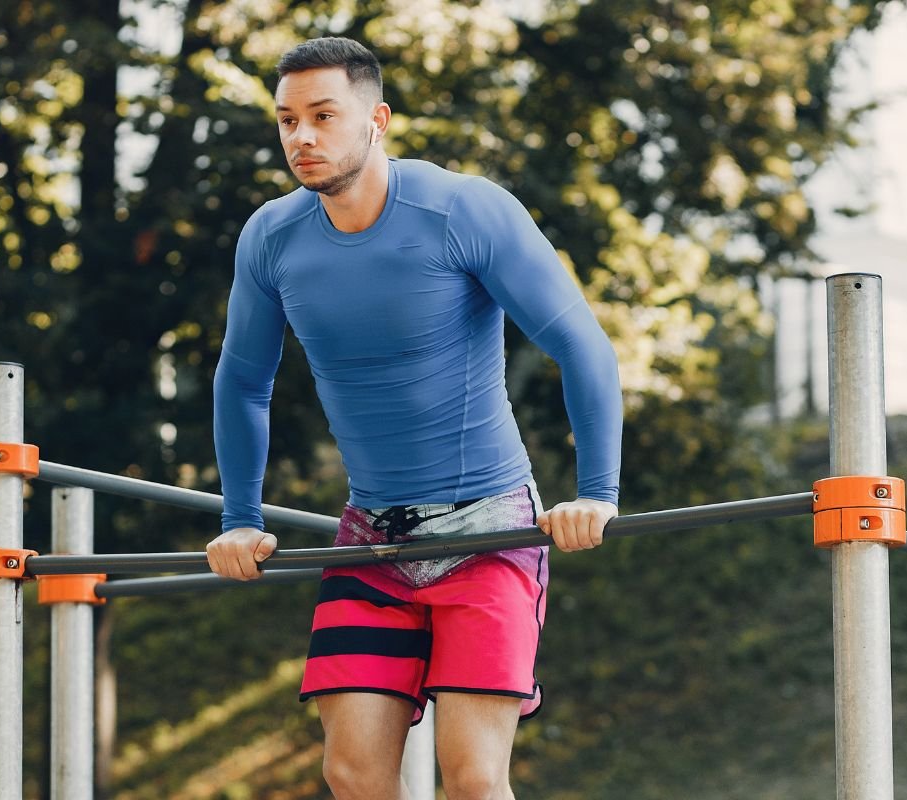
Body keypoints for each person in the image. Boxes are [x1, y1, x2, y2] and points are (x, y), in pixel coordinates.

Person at [206, 36, 623, 800]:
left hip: (491, 533)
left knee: (471, 777)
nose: (302, 137)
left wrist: (598, 492)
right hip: (372, 540)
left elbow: (581, 344)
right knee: (352, 772)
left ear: (378, 120)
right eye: (287, 119)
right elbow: (241, 382)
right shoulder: (271, 237)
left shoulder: (463, 210)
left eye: (324, 115)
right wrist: (240, 515)